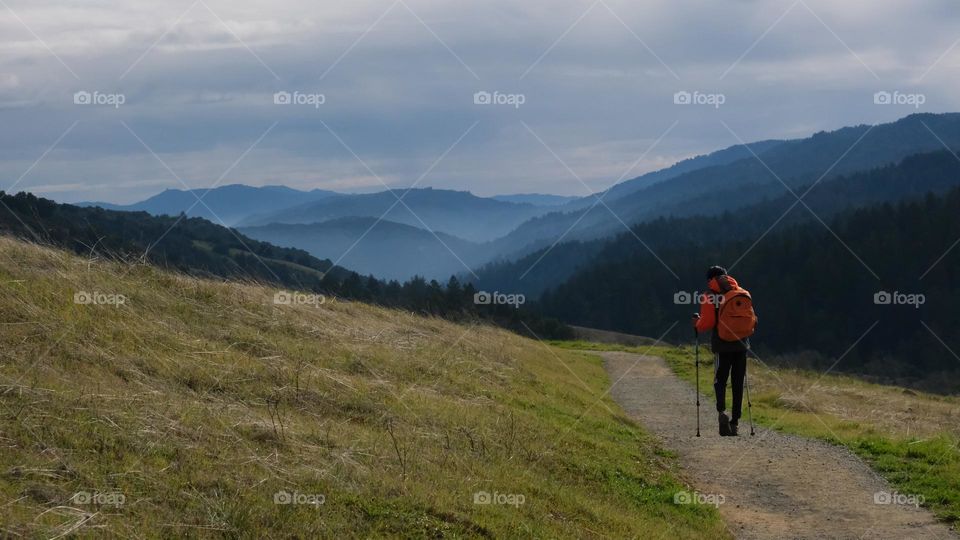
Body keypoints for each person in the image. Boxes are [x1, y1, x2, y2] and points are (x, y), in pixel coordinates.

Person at [692, 266, 750, 436]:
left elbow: (707, 323)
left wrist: (696, 323)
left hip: (722, 345)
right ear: (726, 276)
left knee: (720, 380)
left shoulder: (709, 295)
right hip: (741, 344)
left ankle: (721, 412)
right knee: (738, 382)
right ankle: (735, 422)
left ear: (710, 280)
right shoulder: (742, 292)